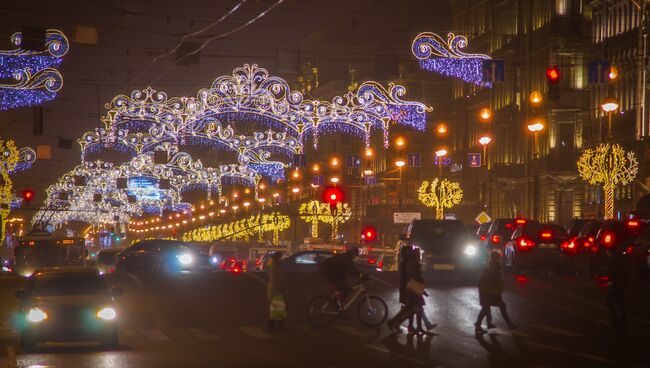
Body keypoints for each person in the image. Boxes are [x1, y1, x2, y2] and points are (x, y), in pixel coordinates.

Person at [387, 247, 429, 333]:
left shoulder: (408, 262)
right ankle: (397, 323)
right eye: (418, 254)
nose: (419, 256)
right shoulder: (411, 263)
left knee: (412, 308)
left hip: (409, 288)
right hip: (410, 289)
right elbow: (412, 277)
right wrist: (421, 281)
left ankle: (413, 326)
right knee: (413, 309)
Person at [474, 252, 515, 335]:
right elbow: (491, 279)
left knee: (486, 307)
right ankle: (509, 324)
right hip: (490, 291)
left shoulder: (490, 265)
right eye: (498, 258)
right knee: (497, 306)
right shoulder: (494, 267)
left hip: (487, 290)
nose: (499, 260)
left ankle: (485, 324)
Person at [606, 245, 629, 331]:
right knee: (617, 301)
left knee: (613, 301)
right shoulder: (618, 258)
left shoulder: (616, 258)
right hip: (618, 282)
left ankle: (619, 320)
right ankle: (621, 319)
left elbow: (616, 271)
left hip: (617, 283)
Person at [266, 252, 286, 330]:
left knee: (276, 307)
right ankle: (275, 324)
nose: (282, 259)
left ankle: (275, 324)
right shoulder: (274, 266)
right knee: (276, 307)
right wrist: (278, 290)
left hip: (275, 288)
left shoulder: (274, 264)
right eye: (281, 257)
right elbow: (275, 279)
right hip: (275, 289)